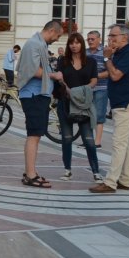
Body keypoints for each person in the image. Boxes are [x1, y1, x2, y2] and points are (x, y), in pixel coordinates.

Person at [90, 23, 129, 194]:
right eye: (109, 36)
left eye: (113, 36)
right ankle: (126, 180)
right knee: (126, 143)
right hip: (121, 103)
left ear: (124, 37)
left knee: (119, 143)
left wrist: (106, 58)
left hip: (127, 103)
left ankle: (111, 182)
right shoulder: (119, 53)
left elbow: (116, 75)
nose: (109, 39)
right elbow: (111, 73)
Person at [16, 19, 65, 188]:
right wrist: (53, 75)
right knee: (34, 135)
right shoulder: (33, 44)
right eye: (57, 36)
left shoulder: (40, 44)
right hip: (33, 95)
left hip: (39, 94)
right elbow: (32, 70)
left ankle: (31, 171)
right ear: (51, 31)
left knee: (36, 135)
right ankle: (30, 174)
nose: (57, 39)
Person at [50, 32, 101, 182]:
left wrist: (79, 91)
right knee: (66, 138)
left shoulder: (90, 62)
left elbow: (94, 81)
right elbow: (60, 77)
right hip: (65, 103)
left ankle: (96, 172)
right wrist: (66, 88)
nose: (74, 45)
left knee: (88, 140)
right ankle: (67, 170)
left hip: (83, 105)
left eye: (77, 42)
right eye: (71, 43)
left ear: (82, 44)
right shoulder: (63, 61)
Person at [87, 30, 110, 147]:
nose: (90, 41)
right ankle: (88, 139)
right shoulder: (85, 53)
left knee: (99, 114)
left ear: (99, 39)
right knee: (87, 114)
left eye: (92, 39)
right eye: (88, 39)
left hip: (101, 87)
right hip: (87, 88)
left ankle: (98, 141)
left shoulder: (104, 52)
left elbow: (109, 71)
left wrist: (95, 77)